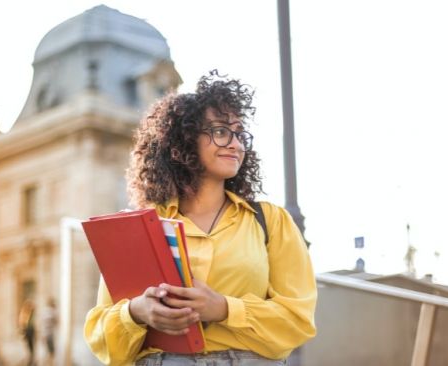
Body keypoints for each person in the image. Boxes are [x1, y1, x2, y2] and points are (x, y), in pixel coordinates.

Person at [84, 71, 317, 365]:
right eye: (220, 131)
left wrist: (223, 308)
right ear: (184, 140)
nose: (236, 144)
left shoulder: (270, 221)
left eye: (239, 133)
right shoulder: (141, 227)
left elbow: (299, 320)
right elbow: (101, 336)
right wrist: (137, 312)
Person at [18, 299, 36, 366]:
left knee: (31, 345)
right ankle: (30, 357)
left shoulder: (31, 313)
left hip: (31, 330)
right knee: (29, 344)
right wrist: (22, 330)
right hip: (27, 330)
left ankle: (31, 357)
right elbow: (22, 322)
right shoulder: (24, 313)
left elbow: (34, 308)